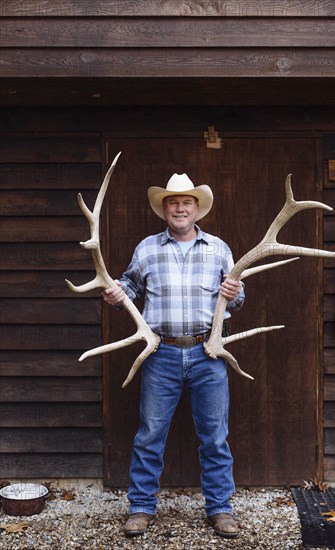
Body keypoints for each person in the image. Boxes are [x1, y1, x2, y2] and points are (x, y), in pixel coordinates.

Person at [102, 173, 244, 538]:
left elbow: (237, 299)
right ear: (164, 209)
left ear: (197, 209)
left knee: (214, 435)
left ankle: (220, 509)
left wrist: (235, 289)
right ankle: (142, 508)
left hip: (208, 353)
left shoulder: (218, 249)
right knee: (150, 433)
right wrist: (117, 293)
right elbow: (130, 284)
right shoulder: (147, 248)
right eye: (172, 203)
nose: (180, 208)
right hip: (160, 353)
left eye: (186, 203)